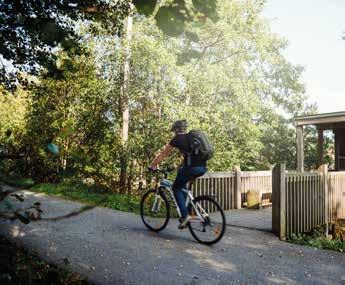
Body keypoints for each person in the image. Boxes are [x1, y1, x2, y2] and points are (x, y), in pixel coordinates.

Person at [149, 120, 208, 229]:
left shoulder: (177, 139)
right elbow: (187, 158)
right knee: (182, 186)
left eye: (174, 131)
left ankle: (185, 216)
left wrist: (153, 165)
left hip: (192, 169)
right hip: (203, 168)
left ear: (176, 130)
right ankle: (188, 211)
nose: (174, 133)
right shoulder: (191, 139)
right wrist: (176, 167)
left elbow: (163, 154)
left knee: (176, 188)